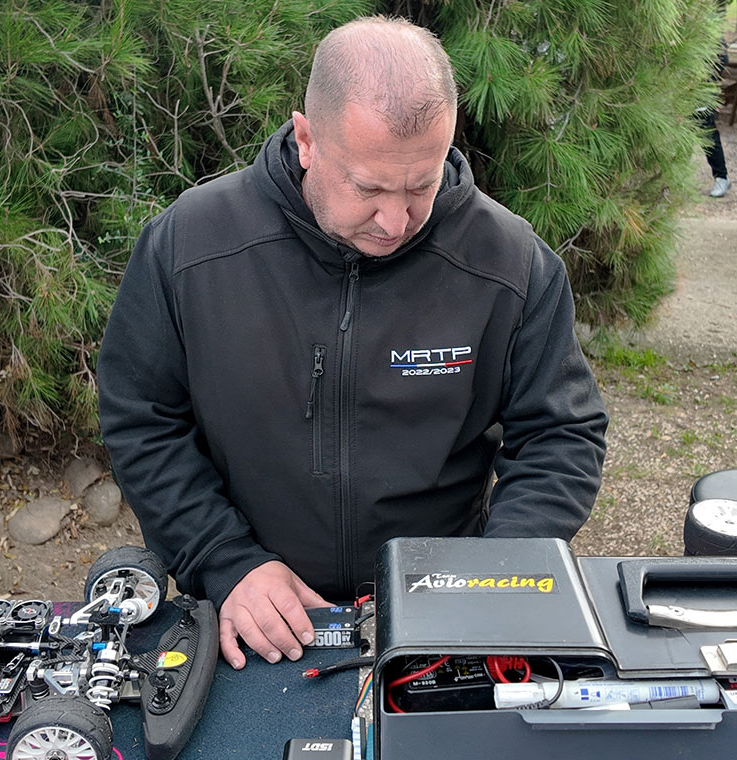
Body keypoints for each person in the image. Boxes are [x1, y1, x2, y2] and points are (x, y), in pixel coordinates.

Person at [97, 17, 608, 671]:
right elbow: (142, 418)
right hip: (249, 609)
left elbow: (561, 435)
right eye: (368, 188)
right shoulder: (188, 246)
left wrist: (491, 575)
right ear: (307, 139)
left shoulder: (510, 262)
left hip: (442, 613)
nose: (395, 221)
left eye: (421, 186)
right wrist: (222, 558)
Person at [700, 35, 730, 198]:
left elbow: (722, 57)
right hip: (675, 87)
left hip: (702, 88)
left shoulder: (709, 29)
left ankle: (721, 177)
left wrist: (705, 78)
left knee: (707, 133)